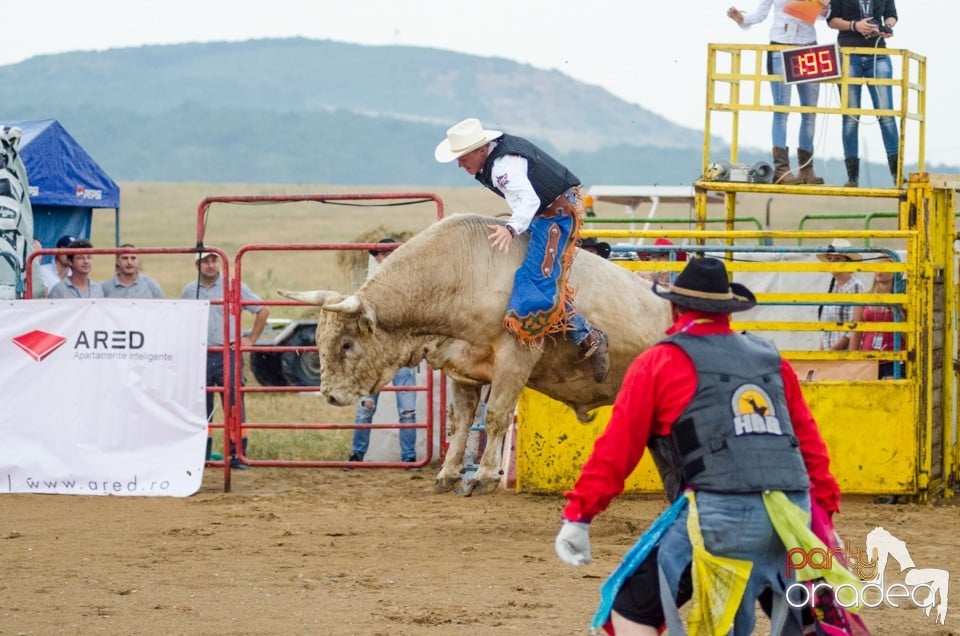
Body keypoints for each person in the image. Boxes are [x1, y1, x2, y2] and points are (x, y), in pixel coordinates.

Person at [554, 257, 840, 635]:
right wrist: (822, 517)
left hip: (719, 514)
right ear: (728, 309)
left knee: (629, 611)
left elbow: (616, 450)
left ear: (675, 307)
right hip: (792, 514)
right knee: (808, 619)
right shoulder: (771, 360)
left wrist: (579, 515)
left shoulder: (660, 362)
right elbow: (810, 447)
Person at [435, 117, 610, 383]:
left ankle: (588, 336)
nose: (460, 163)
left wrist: (511, 228)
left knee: (536, 281)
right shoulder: (497, 160)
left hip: (556, 213)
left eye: (463, 157)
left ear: (481, 150)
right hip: (546, 211)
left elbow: (528, 199)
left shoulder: (503, 167)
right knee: (529, 274)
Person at [181, 251, 269, 469]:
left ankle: (238, 454)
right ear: (197, 265)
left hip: (227, 351)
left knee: (234, 404)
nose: (210, 265)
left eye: (213, 260)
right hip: (202, 353)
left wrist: (251, 339)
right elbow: (184, 320)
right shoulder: (190, 291)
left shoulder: (234, 285)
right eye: (205, 262)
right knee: (202, 405)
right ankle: (203, 455)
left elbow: (262, 310)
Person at [727, 0, 830, 185]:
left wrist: (825, 7)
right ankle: (782, 170)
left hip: (808, 46)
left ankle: (806, 168)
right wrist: (741, 18)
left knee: (810, 111)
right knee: (781, 110)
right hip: (780, 46)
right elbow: (760, 14)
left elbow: (824, 15)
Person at [347, 238, 419, 467]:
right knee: (367, 408)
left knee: (404, 410)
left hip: (397, 354)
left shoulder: (406, 285)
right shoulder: (374, 286)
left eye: (383, 253)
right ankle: (362, 455)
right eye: (379, 254)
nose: (380, 258)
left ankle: (407, 457)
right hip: (381, 355)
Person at [827, 0, 900, 187]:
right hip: (849, 53)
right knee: (851, 116)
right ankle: (852, 177)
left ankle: (897, 174)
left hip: (878, 51)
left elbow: (892, 14)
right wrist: (855, 25)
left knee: (887, 115)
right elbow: (832, 20)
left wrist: (886, 26)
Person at [849, 255, 900, 378]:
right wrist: (851, 360)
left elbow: (908, 334)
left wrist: (896, 311)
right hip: (868, 358)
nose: (879, 270)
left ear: (894, 272)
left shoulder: (901, 299)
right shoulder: (864, 298)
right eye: (876, 267)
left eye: (883, 267)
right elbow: (856, 332)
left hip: (893, 359)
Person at [816, 238, 865, 351]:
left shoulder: (856, 286)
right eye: (830, 259)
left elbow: (853, 327)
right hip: (831, 353)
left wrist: (830, 352)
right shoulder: (832, 287)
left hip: (843, 354)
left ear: (847, 262)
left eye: (837, 259)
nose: (833, 263)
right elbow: (826, 329)